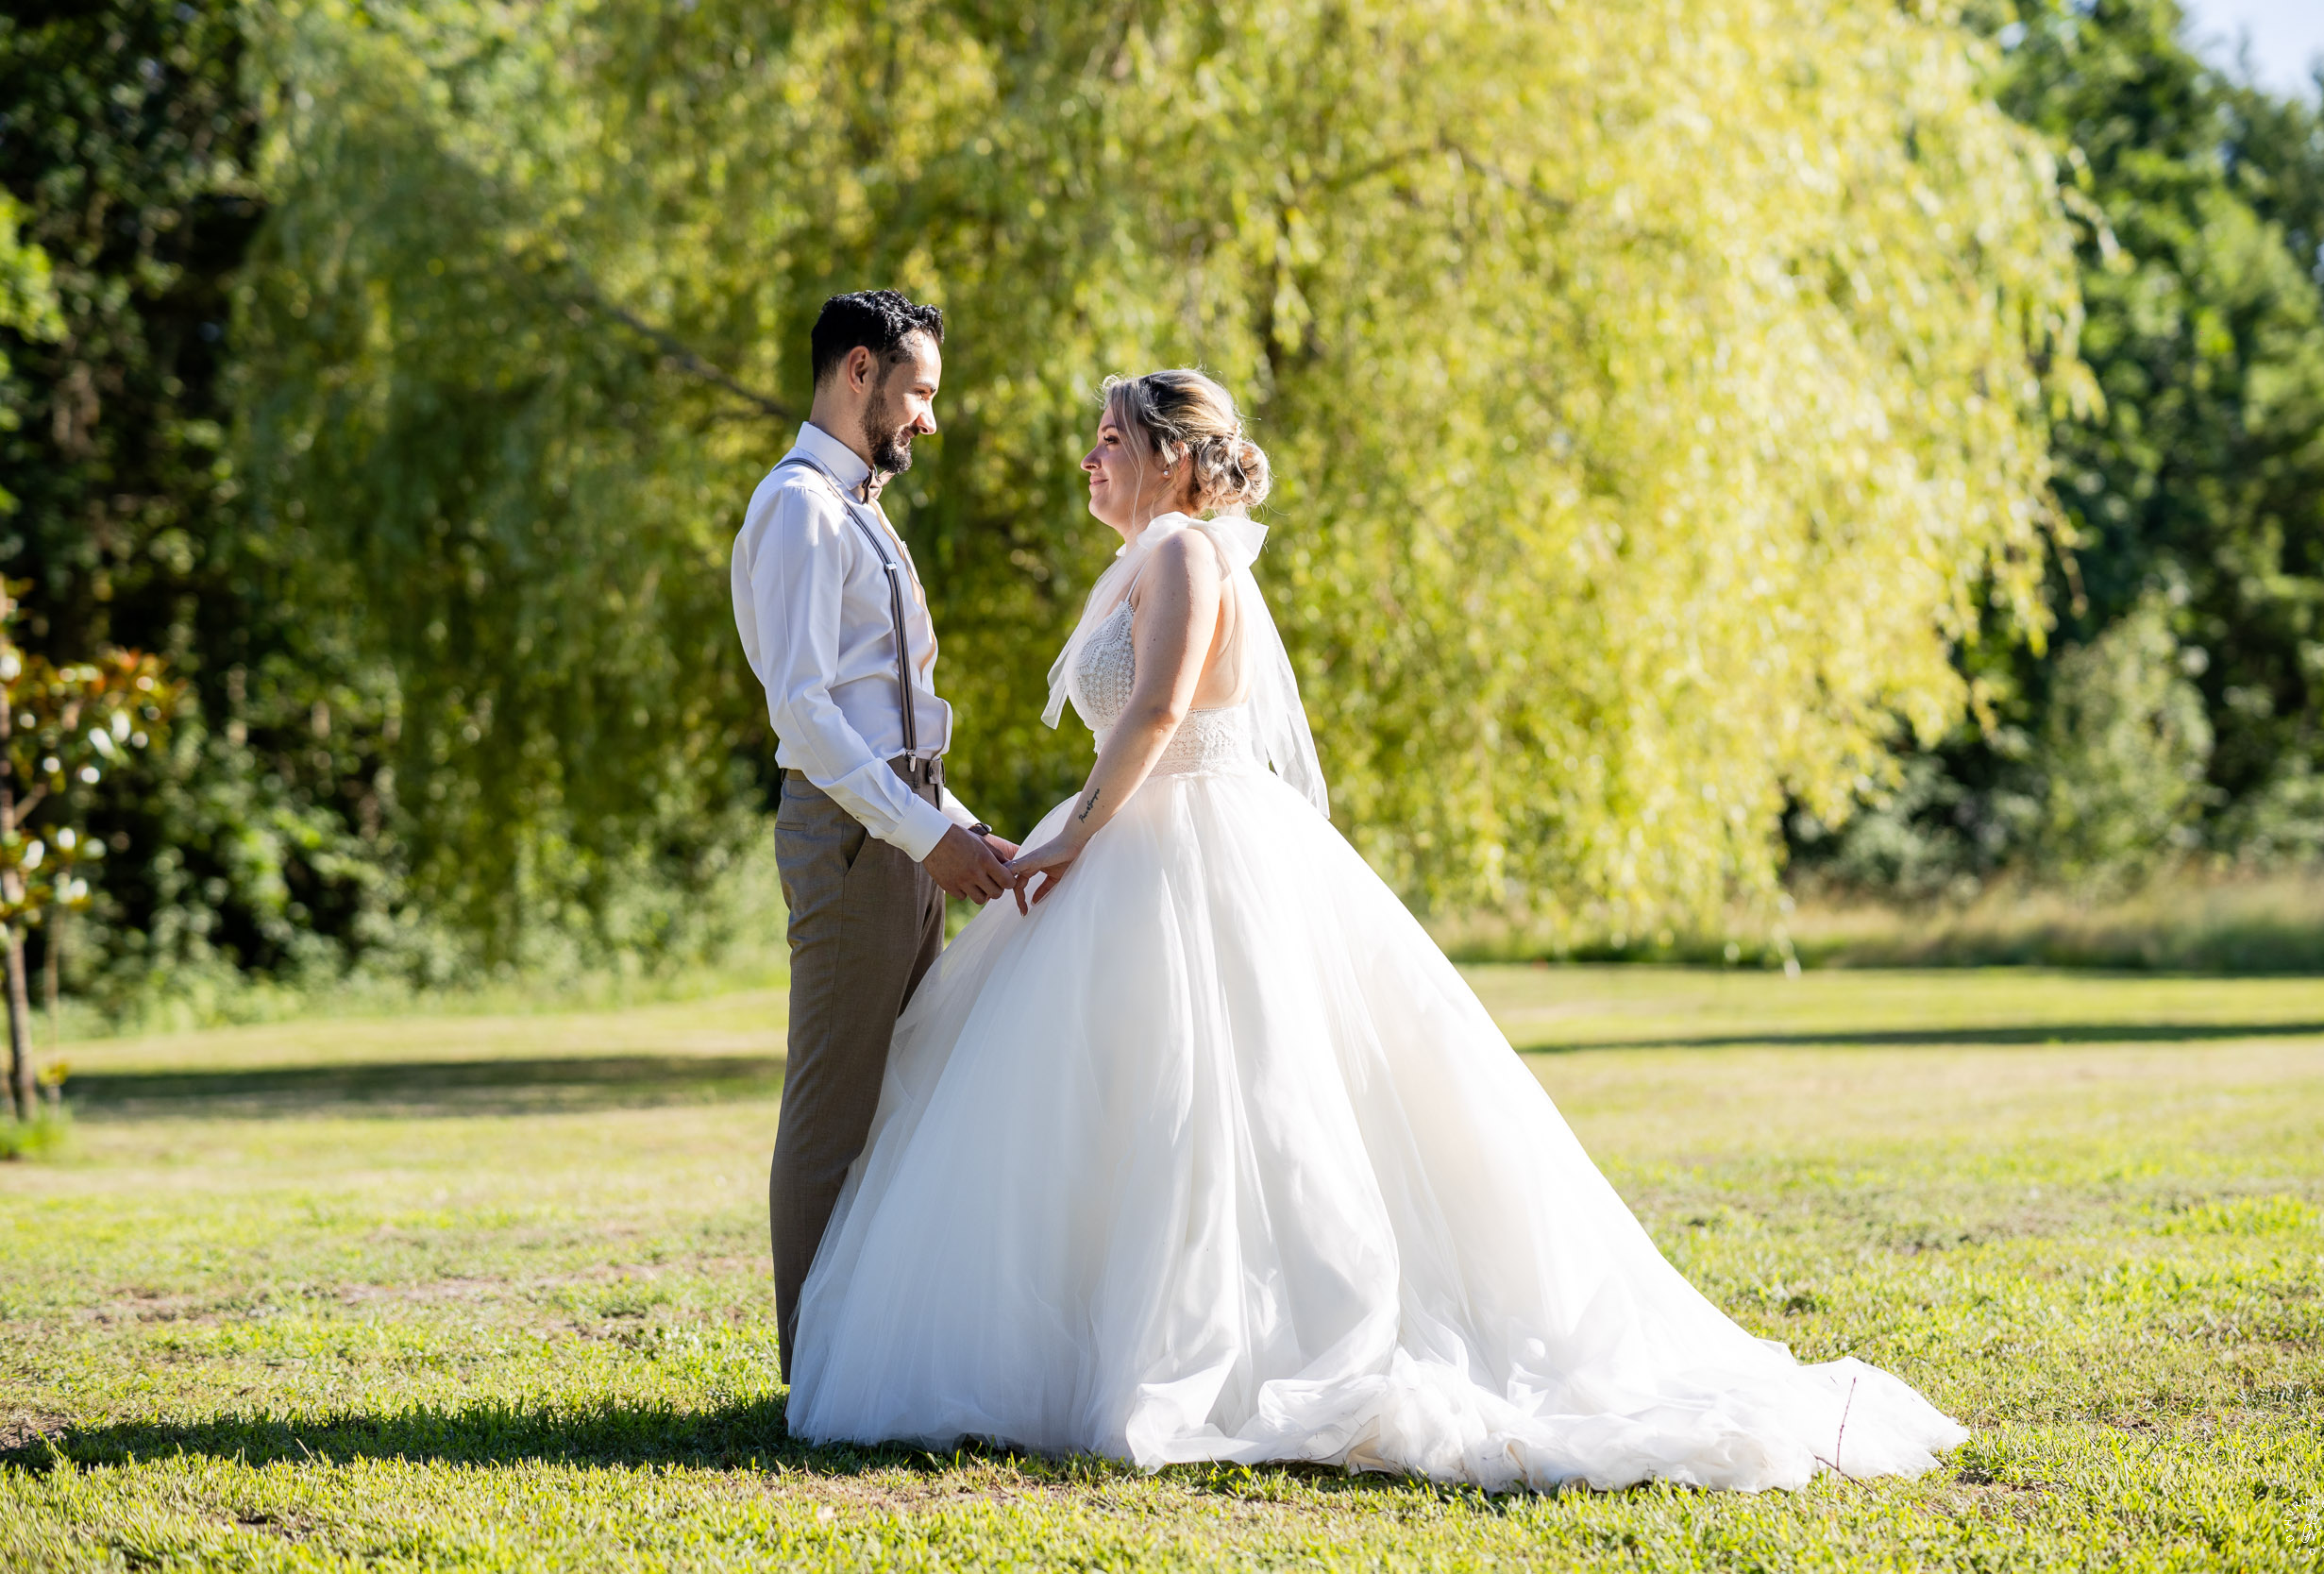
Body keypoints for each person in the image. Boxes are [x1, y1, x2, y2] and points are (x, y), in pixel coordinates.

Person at [783, 368, 1968, 1491]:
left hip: (1183, 840)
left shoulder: (1187, 552)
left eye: (1111, 440)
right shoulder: (1153, 553)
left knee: (1221, 1100)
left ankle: (1219, 1343)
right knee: (1120, 1104)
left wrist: (1070, 836)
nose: (1089, 458)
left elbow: (1151, 715)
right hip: (1137, 840)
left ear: (1171, 460)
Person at [728, 290, 1019, 1386]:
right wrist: (921, 834)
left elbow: (892, 712)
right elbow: (806, 712)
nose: (929, 420)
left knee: (899, 1096)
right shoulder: (800, 507)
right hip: (853, 837)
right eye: (920, 391)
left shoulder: (860, 509)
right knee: (834, 1107)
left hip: (901, 827)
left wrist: (959, 829)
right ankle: (817, 1378)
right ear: (860, 371)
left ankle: (874, 1353)